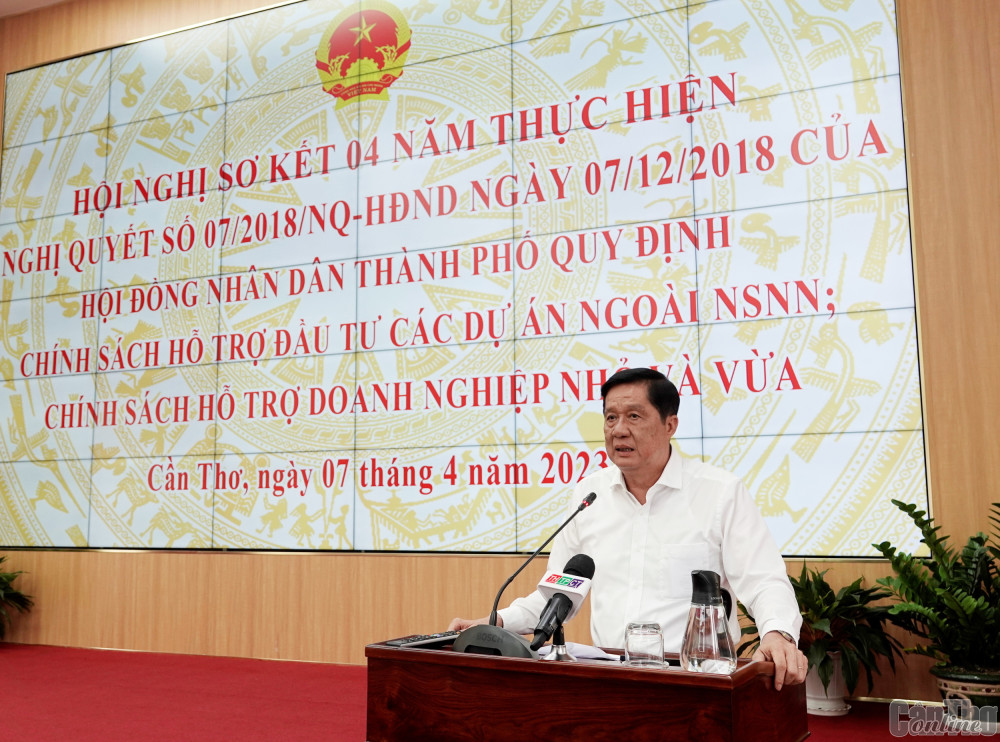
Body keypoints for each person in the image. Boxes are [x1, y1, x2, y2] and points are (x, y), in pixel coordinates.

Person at [449, 367, 808, 689]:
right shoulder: (589, 495)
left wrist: (778, 634)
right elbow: (558, 596)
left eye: (634, 416)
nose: (619, 429)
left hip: (694, 681)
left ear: (670, 425)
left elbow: (763, 580)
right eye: (611, 417)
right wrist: (495, 622)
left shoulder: (719, 493)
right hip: (609, 679)